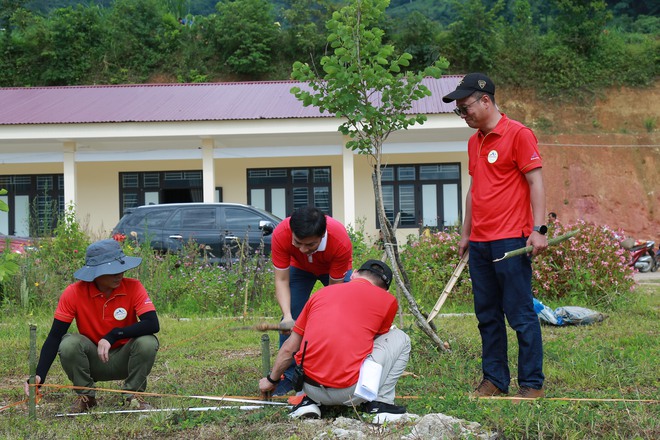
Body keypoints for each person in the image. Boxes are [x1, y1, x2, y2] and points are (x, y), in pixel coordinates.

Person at [443, 73, 548, 399]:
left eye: (465, 108)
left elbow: (536, 183)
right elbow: (474, 191)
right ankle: (494, 380)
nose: (464, 115)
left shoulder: (518, 134)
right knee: (487, 315)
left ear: (485, 100)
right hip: (480, 243)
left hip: (510, 242)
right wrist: (465, 233)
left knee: (519, 314)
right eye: (459, 110)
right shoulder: (475, 142)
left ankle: (531, 384)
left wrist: (539, 230)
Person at [258, 260, 410, 423]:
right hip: (351, 392)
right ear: (384, 289)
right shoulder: (387, 300)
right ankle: (380, 404)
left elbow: (290, 347)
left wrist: (271, 380)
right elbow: (376, 341)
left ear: (354, 274)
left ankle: (308, 402)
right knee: (401, 337)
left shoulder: (321, 294)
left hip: (310, 387)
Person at [25, 239, 160, 412]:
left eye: (121, 268)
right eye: (112, 271)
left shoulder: (134, 287)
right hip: (92, 360)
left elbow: (152, 324)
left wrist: (113, 335)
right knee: (68, 343)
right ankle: (86, 397)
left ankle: (134, 396)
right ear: (95, 273)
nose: (119, 274)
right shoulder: (73, 293)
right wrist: (39, 376)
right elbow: (55, 337)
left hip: (126, 358)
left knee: (148, 341)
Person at [270, 205, 353, 395]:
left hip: (332, 271)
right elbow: (281, 280)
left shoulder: (339, 240)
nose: (303, 249)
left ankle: (336, 369)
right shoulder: (281, 233)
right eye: (298, 243)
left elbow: (334, 291)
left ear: (322, 235)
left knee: (342, 316)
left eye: (310, 245)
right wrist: (288, 315)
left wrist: (325, 321)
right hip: (299, 269)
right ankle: (289, 377)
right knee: (289, 323)